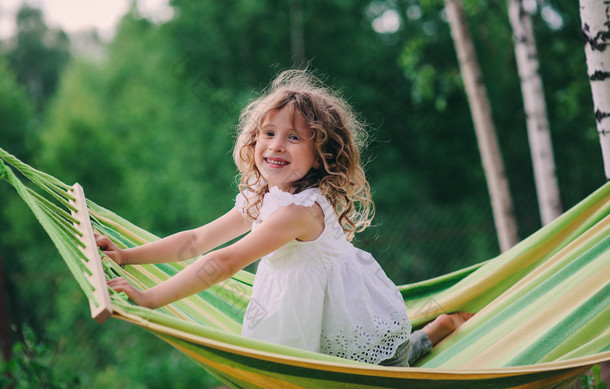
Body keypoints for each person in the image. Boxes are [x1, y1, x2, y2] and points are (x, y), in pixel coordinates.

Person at [96, 70, 472, 367]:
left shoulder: (300, 213)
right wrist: (127, 256)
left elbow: (224, 261)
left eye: (294, 138)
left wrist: (149, 299)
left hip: (357, 332)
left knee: (386, 372)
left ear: (321, 153)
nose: (275, 145)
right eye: (268, 133)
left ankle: (440, 327)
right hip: (304, 326)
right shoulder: (264, 195)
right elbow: (196, 241)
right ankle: (435, 329)